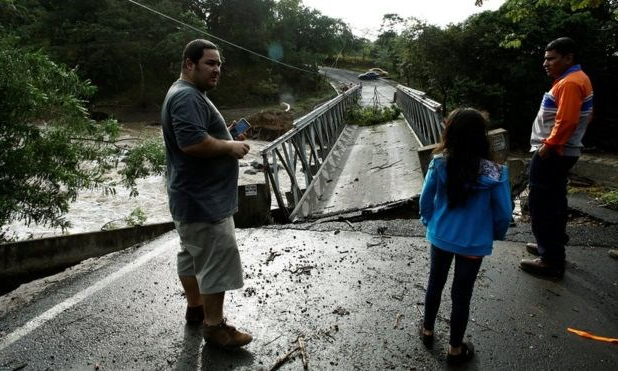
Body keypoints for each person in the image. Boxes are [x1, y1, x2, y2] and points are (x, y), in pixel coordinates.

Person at [161, 39, 252, 348]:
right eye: (210, 63)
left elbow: (196, 135)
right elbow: (192, 143)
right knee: (217, 258)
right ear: (190, 63)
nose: (217, 70)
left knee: (191, 255)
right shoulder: (187, 96)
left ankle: (196, 308)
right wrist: (230, 146)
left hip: (189, 197)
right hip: (203, 200)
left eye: (219, 65)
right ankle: (215, 327)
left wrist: (223, 133)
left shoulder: (185, 93)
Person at [419, 108, 512, 365]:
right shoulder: (496, 172)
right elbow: (504, 212)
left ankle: (427, 331)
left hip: (441, 236)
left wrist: (428, 220)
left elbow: (425, 199)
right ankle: (455, 349)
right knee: (462, 294)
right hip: (474, 242)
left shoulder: (439, 163)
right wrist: (495, 233)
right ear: (482, 137)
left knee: (435, 282)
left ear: (450, 133)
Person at [520, 37, 594, 279]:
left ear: (568, 58)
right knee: (555, 200)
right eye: (545, 58)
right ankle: (551, 246)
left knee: (542, 205)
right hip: (563, 151)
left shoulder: (570, 83)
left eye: (551, 58)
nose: (545, 63)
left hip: (553, 152)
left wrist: (549, 146)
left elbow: (568, 121)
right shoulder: (575, 79)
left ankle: (550, 260)